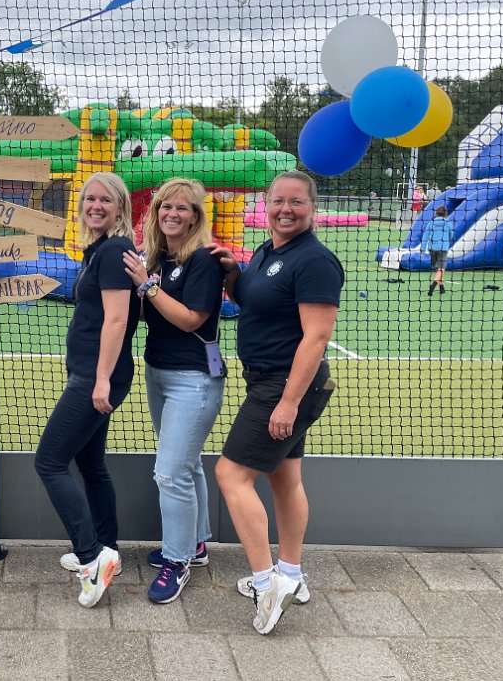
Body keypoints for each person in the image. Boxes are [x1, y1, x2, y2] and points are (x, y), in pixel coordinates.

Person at [208, 170, 343, 635]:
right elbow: (250, 297)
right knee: (285, 478)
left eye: (296, 202)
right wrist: (233, 271)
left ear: (312, 208)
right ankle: (290, 574)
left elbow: (317, 337)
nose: (286, 209)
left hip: (286, 386)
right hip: (272, 382)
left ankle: (266, 584)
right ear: (266, 206)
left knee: (230, 474)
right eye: (278, 201)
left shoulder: (315, 260)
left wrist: (288, 403)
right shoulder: (269, 251)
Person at [36, 171, 140, 608]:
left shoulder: (114, 250)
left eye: (105, 200)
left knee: (49, 462)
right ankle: (107, 548)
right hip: (94, 373)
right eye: (90, 199)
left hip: (97, 377)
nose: (95, 206)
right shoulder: (100, 248)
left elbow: (117, 319)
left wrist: (100, 379)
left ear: (120, 208)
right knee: (90, 463)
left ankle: (91, 558)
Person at [121, 178, 226, 604]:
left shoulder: (203, 259)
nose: (172, 214)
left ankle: (176, 560)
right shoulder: (158, 258)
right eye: (166, 207)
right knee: (186, 465)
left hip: (194, 379)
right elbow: (148, 314)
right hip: (159, 372)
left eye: (182, 208)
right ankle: (195, 545)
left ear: (195, 216)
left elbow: (190, 319)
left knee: (169, 474)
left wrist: (147, 285)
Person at [421, 205, 454, 295]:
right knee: (441, 268)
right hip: (443, 248)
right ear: (445, 214)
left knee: (438, 268)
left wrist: (423, 251)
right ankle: (433, 285)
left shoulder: (431, 224)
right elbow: (451, 235)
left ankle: (441, 287)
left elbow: (425, 237)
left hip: (432, 248)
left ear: (436, 213)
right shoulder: (448, 223)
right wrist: (447, 240)